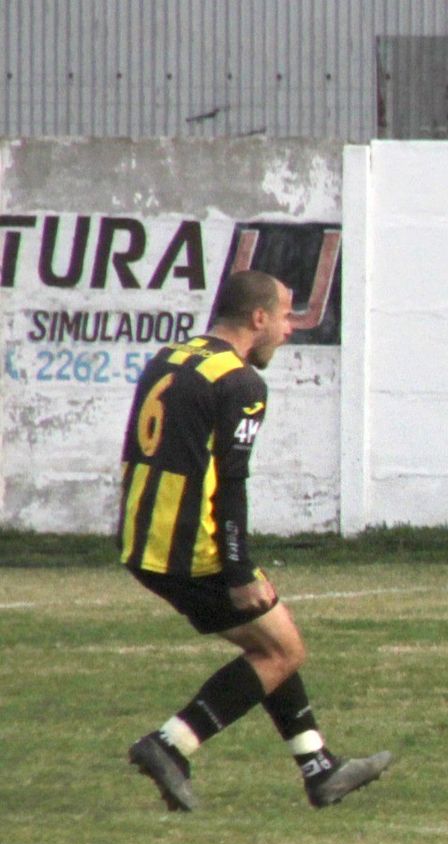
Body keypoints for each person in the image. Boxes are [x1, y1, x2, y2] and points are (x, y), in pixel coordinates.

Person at [121, 269, 392, 811]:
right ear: (258, 318)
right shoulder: (241, 382)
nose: (291, 329)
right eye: (287, 315)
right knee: (284, 649)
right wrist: (240, 571)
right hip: (194, 548)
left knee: (275, 643)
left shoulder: (170, 358)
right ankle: (171, 744)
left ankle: (320, 768)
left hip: (144, 538)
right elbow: (232, 484)